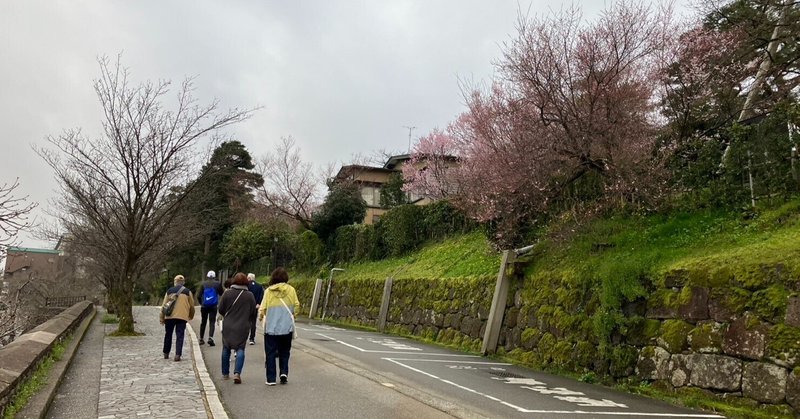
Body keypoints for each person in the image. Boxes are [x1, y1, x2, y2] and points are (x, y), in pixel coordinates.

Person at [258, 267, 300, 386]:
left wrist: (261, 317)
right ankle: (284, 373)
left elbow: (263, 308)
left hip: (271, 328)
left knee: (270, 353)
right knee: (285, 351)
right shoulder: (291, 290)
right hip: (286, 327)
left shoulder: (268, 291)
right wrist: (293, 315)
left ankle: (271, 378)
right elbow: (297, 305)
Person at [218, 272, 256, 384]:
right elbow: (253, 312)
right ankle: (237, 373)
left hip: (228, 324)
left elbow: (220, 309)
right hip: (243, 325)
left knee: (226, 348)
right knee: (240, 348)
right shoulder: (249, 295)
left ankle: (225, 373)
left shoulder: (227, 294)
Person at [160, 274, 195, 362]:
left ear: (175, 282)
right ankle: (178, 354)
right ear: (183, 282)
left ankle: (166, 353)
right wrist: (190, 316)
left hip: (169, 316)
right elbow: (192, 306)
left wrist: (162, 317)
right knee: (180, 335)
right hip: (182, 317)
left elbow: (164, 305)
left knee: (168, 334)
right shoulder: (187, 292)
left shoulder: (169, 291)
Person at [197, 270, 224, 346]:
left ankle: (201, 339)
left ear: (207, 276)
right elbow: (222, 293)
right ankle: (210, 337)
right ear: (214, 276)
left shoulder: (203, 284)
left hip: (204, 305)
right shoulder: (217, 284)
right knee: (212, 321)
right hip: (213, 305)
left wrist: (201, 303)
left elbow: (198, 296)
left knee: (203, 322)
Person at [247, 273, 264, 345]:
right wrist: (258, 304)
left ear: (249, 278)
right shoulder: (259, 286)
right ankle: (252, 338)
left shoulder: (246, 285)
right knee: (253, 323)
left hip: (246, 306)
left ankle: (243, 337)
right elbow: (261, 296)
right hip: (255, 306)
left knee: (245, 322)